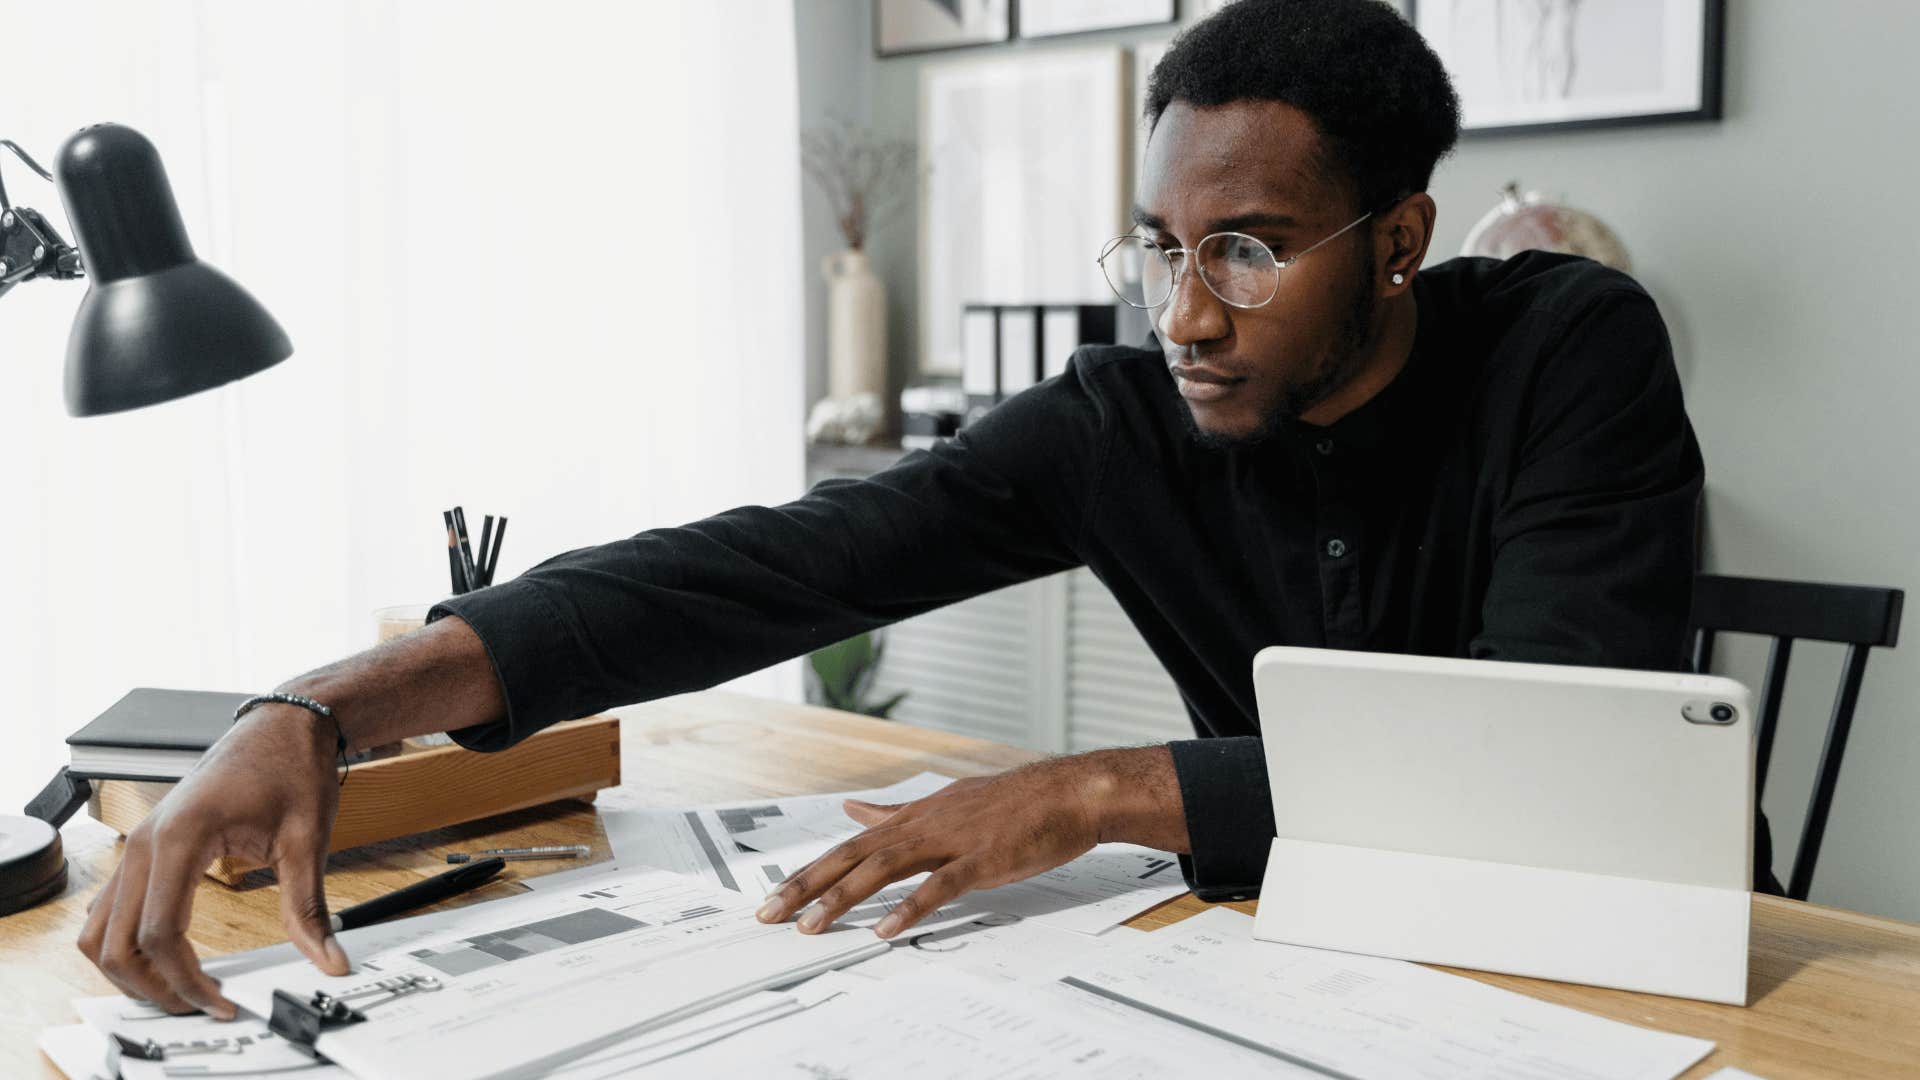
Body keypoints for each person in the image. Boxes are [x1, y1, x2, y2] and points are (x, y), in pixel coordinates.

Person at [79, 0, 1738, 1022]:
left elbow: (1545, 753)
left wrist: (1089, 789)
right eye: (1161, 246)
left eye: (1245, 246)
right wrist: (321, 708)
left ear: (1396, 239)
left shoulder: (1567, 343)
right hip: (1293, 960)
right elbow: (778, 569)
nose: (1186, 314)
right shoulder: (1125, 416)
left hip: (1583, 964)